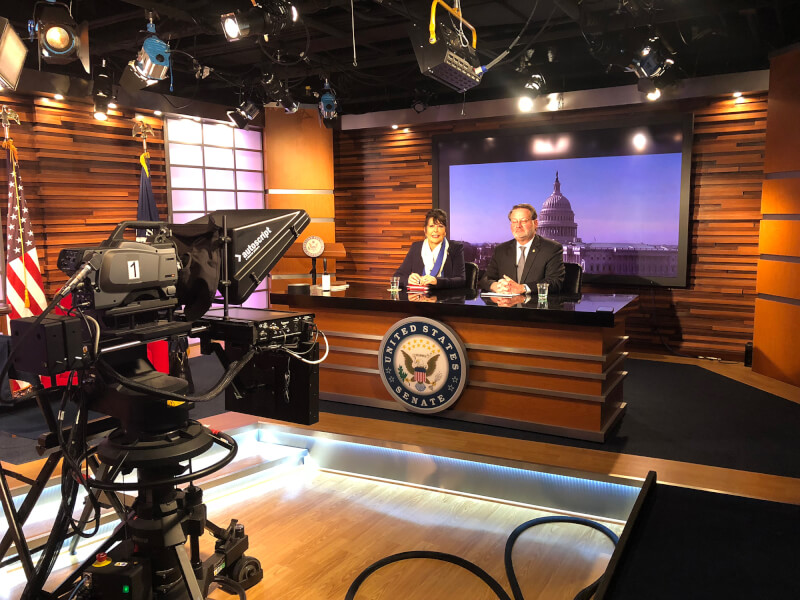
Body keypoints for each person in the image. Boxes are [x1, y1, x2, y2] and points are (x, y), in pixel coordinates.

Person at [479, 203, 565, 294]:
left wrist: (523, 288)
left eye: (523, 221)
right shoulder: (501, 250)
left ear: (535, 223)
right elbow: (486, 279)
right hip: (505, 306)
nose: (518, 225)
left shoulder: (551, 248)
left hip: (535, 306)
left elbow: (555, 282)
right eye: (514, 221)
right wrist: (495, 286)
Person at [394, 208, 466, 289]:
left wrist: (437, 281)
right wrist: (408, 280)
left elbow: (461, 280)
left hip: (445, 298)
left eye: (440, 226)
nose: (435, 230)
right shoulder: (416, 247)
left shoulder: (455, 248)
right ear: (425, 230)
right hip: (419, 298)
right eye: (431, 226)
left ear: (445, 231)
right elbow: (397, 276)